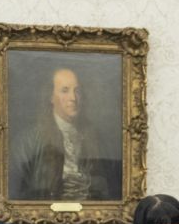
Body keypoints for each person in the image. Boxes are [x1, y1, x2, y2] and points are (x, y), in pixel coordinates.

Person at [12, 67, 119, 201]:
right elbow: (18, 194)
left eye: (77, 91)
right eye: (65, 91)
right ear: (51, 97)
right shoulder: (28, 141)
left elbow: (110, 191)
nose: (73, 98)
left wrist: (90, 188)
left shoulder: (98, 139)